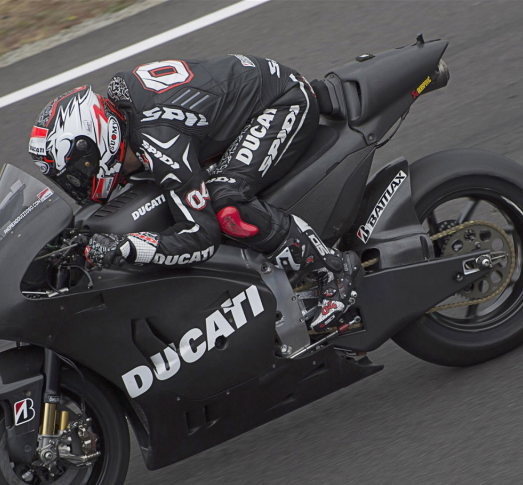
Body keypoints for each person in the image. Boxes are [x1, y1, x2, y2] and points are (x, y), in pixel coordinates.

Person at [27, 55, 359, 330]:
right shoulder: (122, 116)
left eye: (78, 171)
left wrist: (129, 247)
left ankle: (331, 269)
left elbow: (201, 238)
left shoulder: (160, 141)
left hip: (281, 101)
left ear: (99, 142)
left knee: (227, 204)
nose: (76, 182)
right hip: (238, 103)